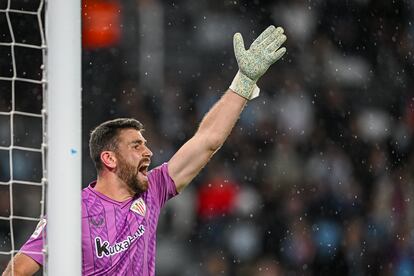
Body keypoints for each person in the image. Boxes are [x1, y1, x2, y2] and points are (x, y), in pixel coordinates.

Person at [2, 25, 287, 276]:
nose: (148, 152)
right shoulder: (72, 212)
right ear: (109, 158)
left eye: (146, 144)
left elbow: (207, 141)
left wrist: (243, 83)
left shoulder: (152, 190)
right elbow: (18, 269)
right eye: (136, 146)